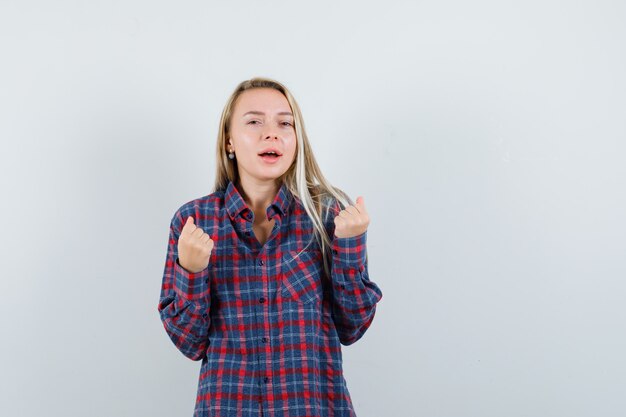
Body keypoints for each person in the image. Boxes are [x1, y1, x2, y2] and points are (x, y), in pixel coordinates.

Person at [157, 77, 383, 417]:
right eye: (254, 121)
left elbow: (352, 327)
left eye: (285, 123)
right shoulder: (193, 221)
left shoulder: (329, 215)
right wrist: (191, 270)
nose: (271, 133)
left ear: (296, 140)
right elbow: (190, 344)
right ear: (229, 141)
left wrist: (349, 246)